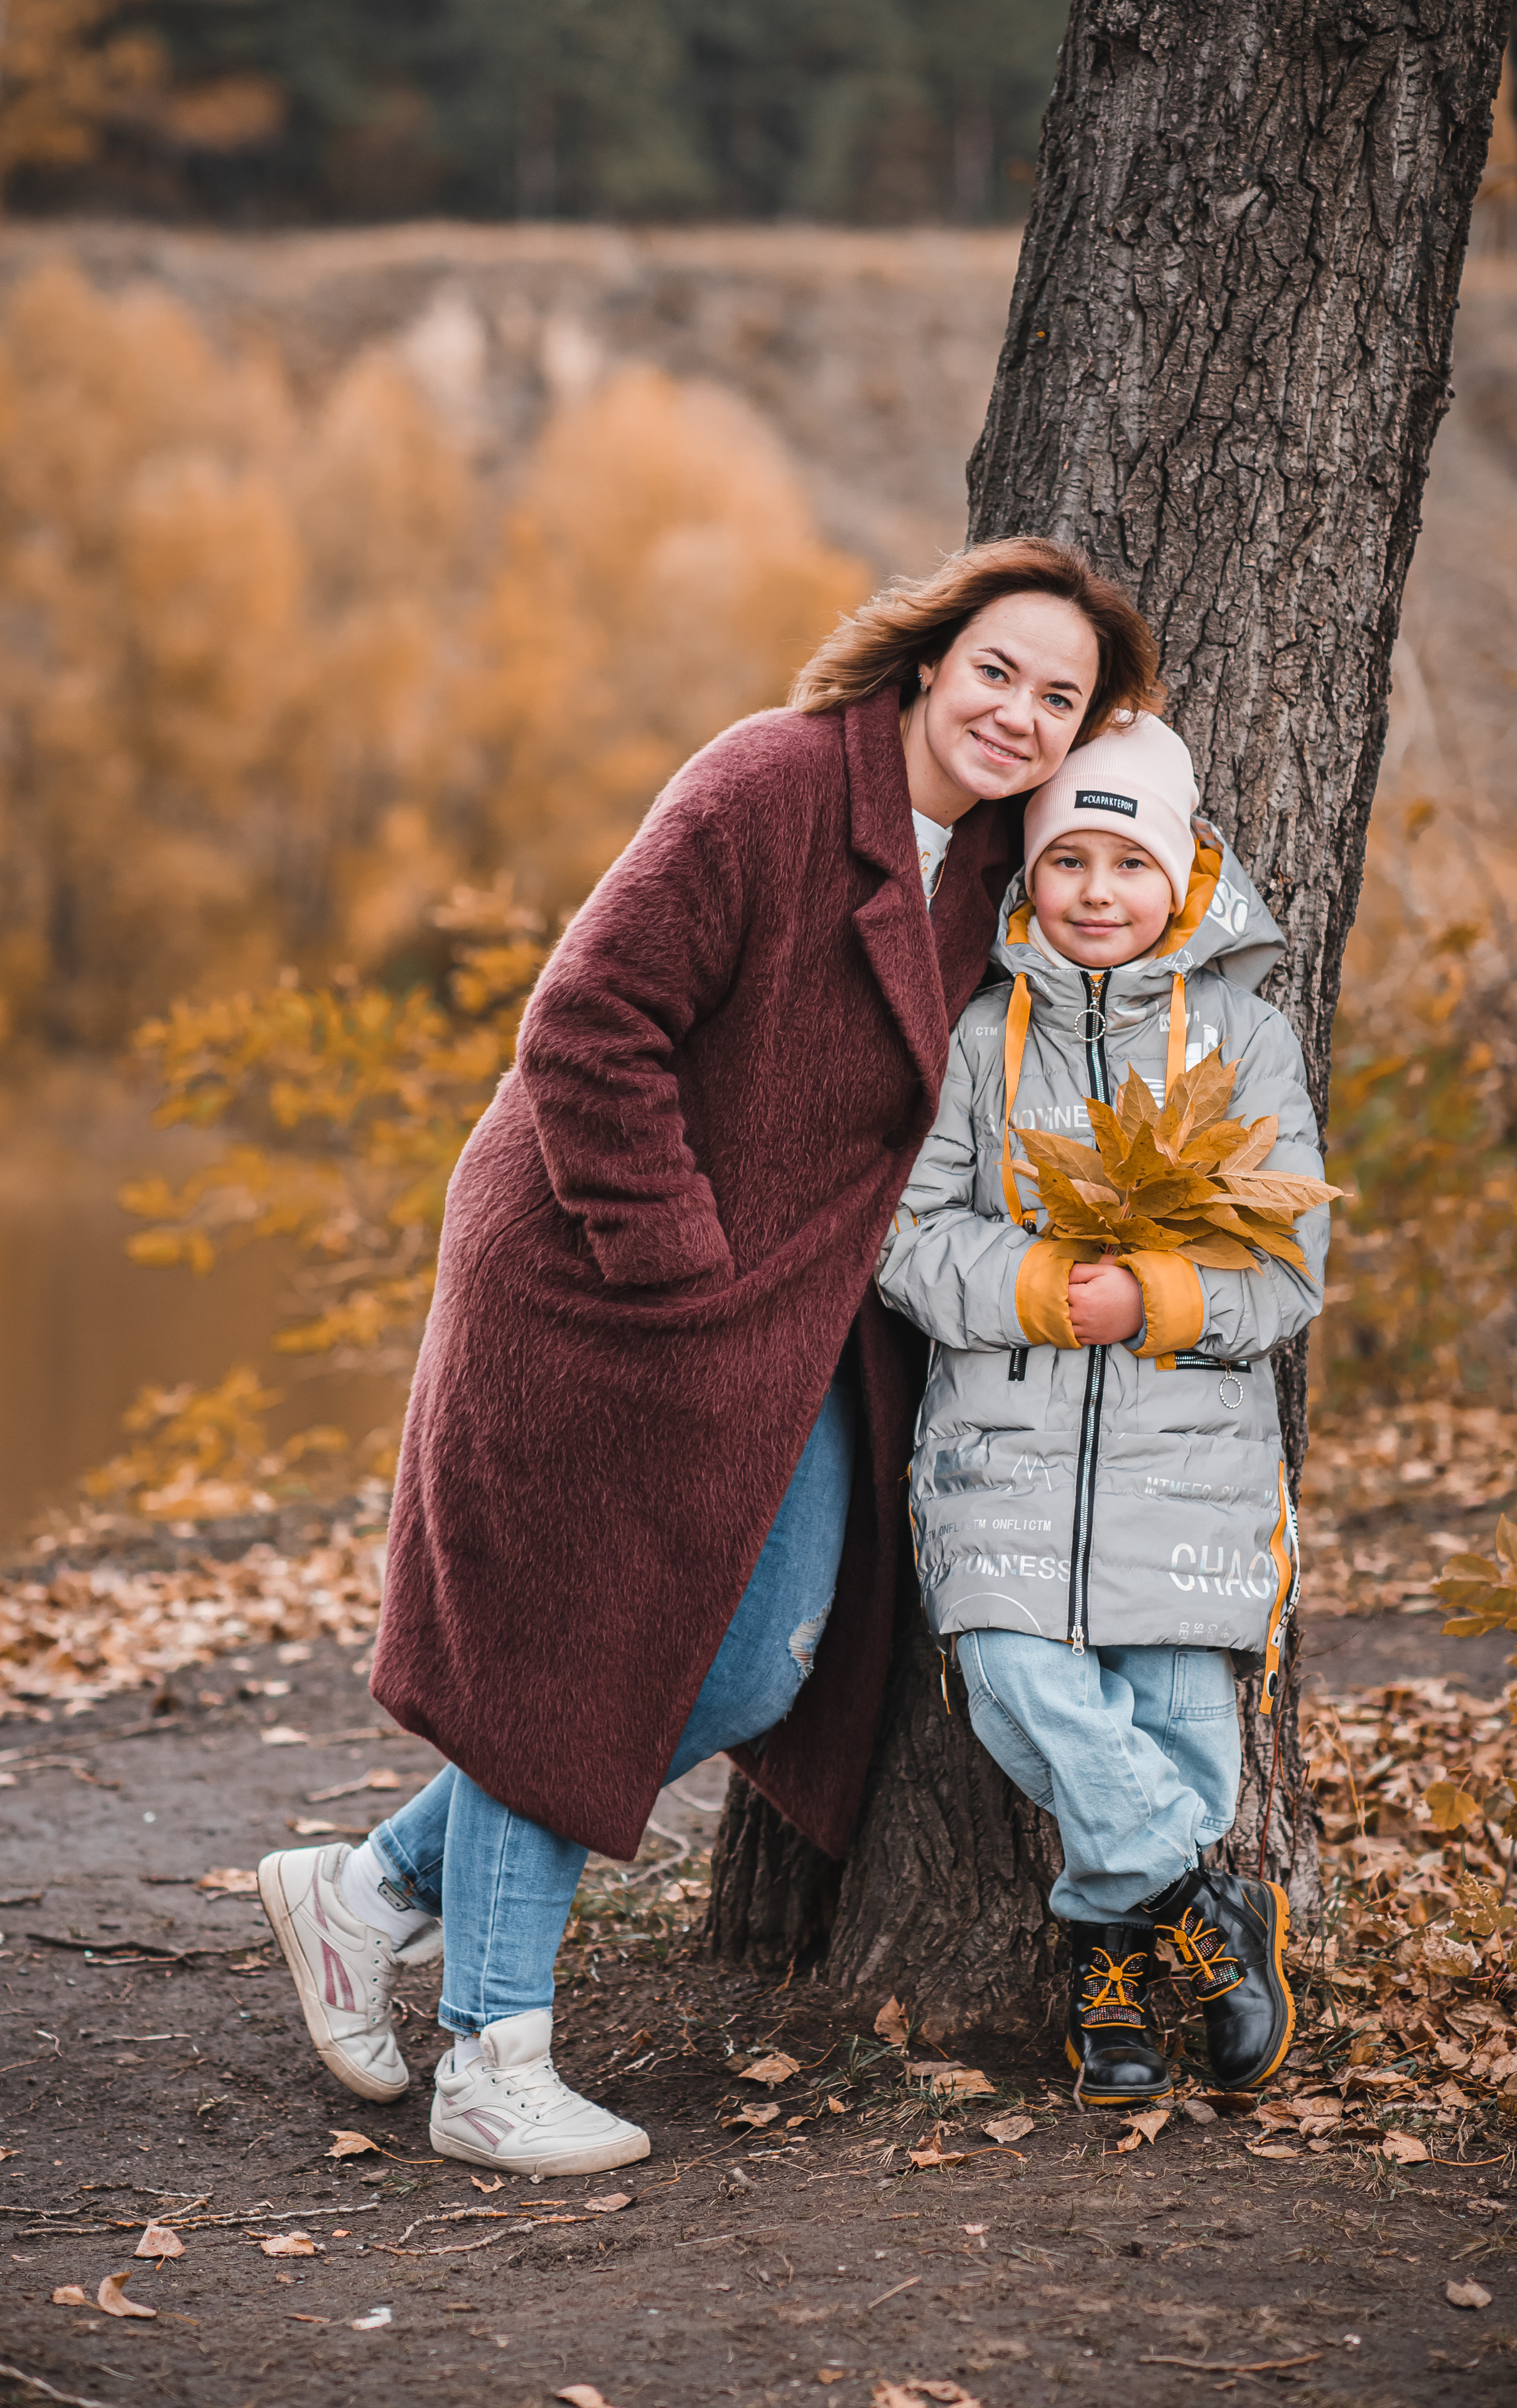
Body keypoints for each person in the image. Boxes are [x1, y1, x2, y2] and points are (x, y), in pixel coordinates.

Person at [259, 538, 1165, 2176]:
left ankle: (376, 1886)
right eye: (996, 673)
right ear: (924, 663)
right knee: (583, 1644)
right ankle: (494, 2056)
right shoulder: (766, 784)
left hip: (784, 1328)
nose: (1019, 714)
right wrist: (674, 1268)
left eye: (1062, 697)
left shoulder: (992, 873)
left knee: (754, 1661)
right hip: (603, 1273)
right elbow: (586, 1022)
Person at [875, 710, 1328, 2108]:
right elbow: (902, 1235)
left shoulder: (1242, 1042)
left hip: (1186, 1469)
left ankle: (1108, 1960)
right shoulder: (975, 1041)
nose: (1092, 891)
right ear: (1024, 879)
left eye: (1124, 863)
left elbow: (1283, 1270)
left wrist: (1157, 1303)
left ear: (1184, 875)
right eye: (1063, 859)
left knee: (1182, 1726)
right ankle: (1202, 1901)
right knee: (1015, 1682)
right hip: (999, 1459)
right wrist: (1031, 1286)